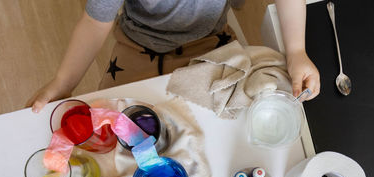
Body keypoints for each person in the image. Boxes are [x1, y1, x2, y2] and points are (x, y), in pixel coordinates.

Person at [26, 0, 320, 113]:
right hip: (138, 45)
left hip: (210, 44)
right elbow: (95, 23)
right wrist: (63, 83)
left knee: (231, 127)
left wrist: (296, 51)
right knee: (118, 126)